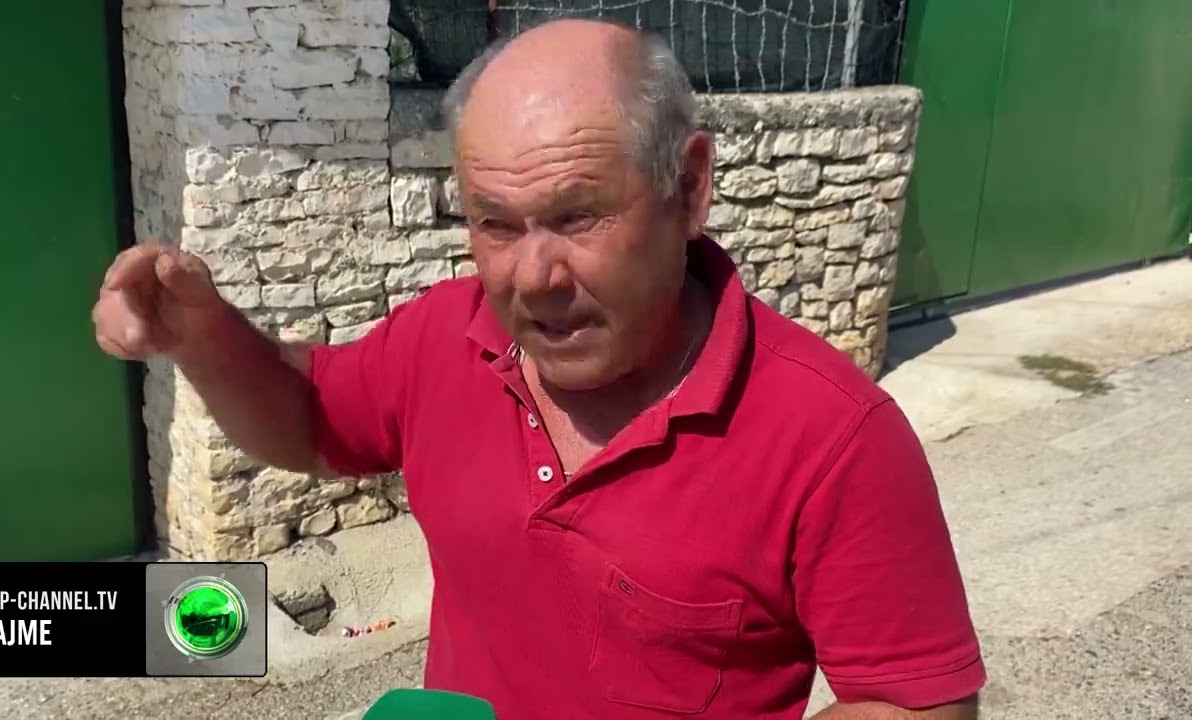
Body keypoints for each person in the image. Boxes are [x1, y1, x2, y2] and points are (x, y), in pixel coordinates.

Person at [93, 19, 984, 720]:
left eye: (577, 217)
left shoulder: (832, 438)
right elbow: (309, 417)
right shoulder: (444, 337)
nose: (533, 277)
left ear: (689, 188)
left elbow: (916, 701)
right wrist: (206, 336)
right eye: (495, 224)